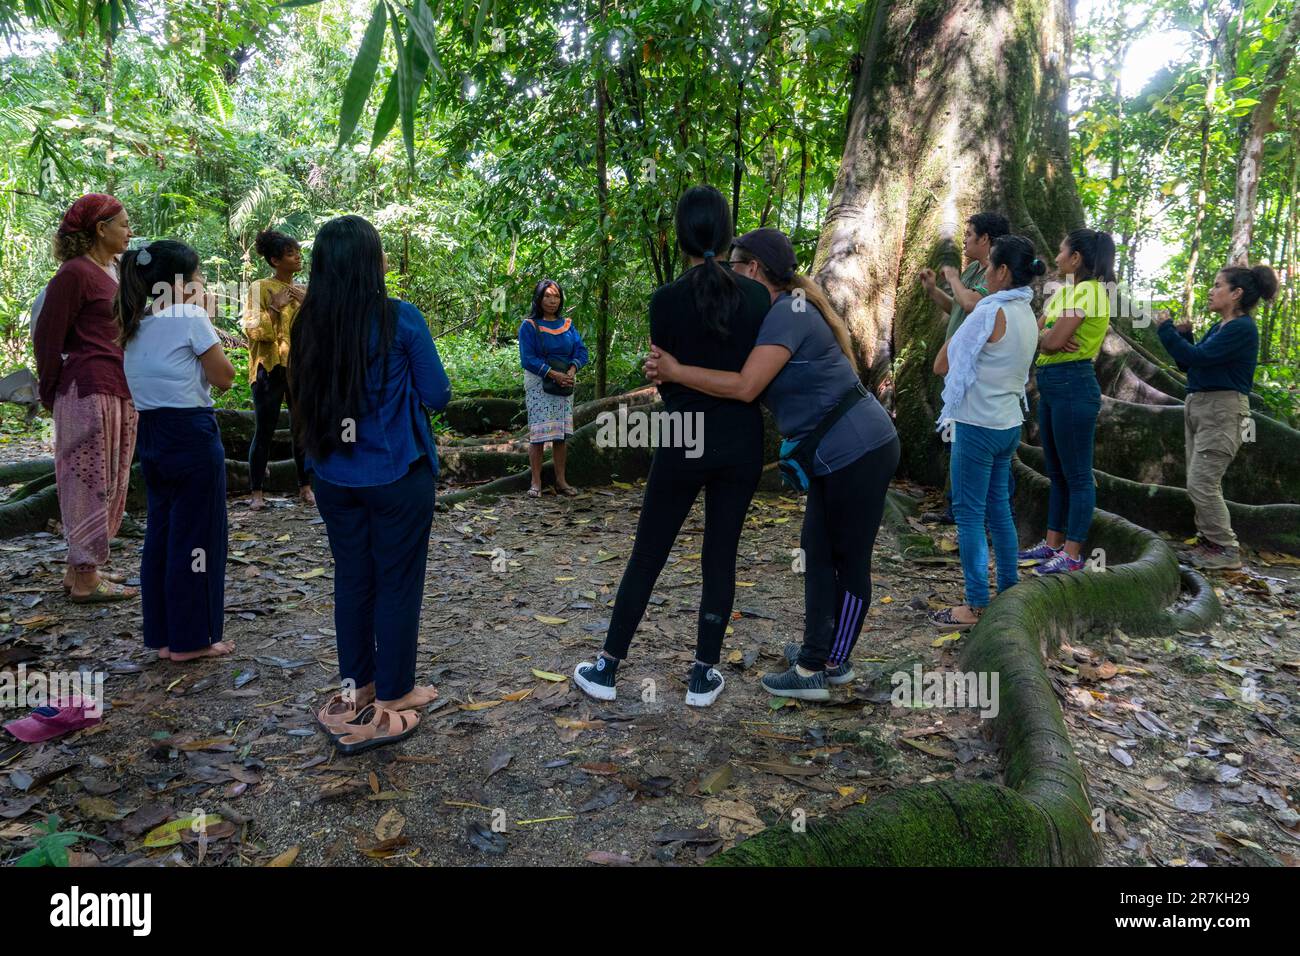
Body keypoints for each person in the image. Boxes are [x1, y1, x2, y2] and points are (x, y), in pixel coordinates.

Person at [646, 228, 899, 701]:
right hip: (840, 452)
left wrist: (677, 372)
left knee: (847, 559)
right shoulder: (787, 310)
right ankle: (817, 656)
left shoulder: (788, 313)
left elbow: (745, 386)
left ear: (754, 269)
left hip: (859, 450)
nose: (730, 278)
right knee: (818, 552)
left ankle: (825, 667)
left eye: (735, 267)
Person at [572, 186, 772, 708]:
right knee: (720, 555)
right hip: (741, 440)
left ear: (680, 235)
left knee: (649, 552)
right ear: (729, 234)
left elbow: (668, 384)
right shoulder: (756, 298)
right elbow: (754, 376)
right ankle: (703, 675)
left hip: (683, 435)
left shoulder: (664, 300)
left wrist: (684, 378)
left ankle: (608, 667)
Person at [289, 215, 450, 755]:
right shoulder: (400, 319)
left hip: (333, 475)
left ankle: (355, 686)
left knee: (354, 578)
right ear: (369, 264)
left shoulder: (307, 322)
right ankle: (396, 694)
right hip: (397, 472)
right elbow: (439, 393)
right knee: (398, 581)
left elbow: (302, 399)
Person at [118, 240, 237, 661]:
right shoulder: (190, 315)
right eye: (200, 276)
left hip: (151, 434)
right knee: (198, 536)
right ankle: (193, 639)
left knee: (163, 532)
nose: (204, 284)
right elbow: (224, 378)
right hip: (191, 434)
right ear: (181, 285)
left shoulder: (136, 321)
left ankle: (165, 635)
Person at [928, 237, 1045, 630]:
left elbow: (942, 365)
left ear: (1003, 272)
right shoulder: (1026, 312)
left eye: (990, 268)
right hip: (1008, 424)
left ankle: (976, 604)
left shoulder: (988, 311)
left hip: (977, 425)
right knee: (998, 509)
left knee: (968, 513)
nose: (986, 275)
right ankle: (1009, 591)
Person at [33, 194, 138, 603]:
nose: (130, 231)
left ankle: (84, 566)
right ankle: (84, 578)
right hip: (86, 388)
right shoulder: (74, 274)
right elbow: (48, 337)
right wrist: (50, 391)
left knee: (111, 480)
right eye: (124, 224)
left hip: (120, 386)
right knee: (86, 481)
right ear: (100, 228)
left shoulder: (113, 270)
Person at [1155, 264, 1277, 570]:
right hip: (1200, 405)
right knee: (1199, 481)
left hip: (1223, 410)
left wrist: (1166, 330)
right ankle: (1209, 544)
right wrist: (1188, 336)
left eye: (1218, 285)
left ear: (1236, 294)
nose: (1211, 291)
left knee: (1202, 482)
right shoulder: (1220, 327)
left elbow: (1197, 357)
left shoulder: (1241, 328)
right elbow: (1192, 365)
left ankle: (1225, 548)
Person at [1018, 228, 1115, 575]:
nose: (1056, 257)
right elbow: (1037, 332)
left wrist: (1046, 337)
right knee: (1056, 471)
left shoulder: (1090, 292)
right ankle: (1052, 544)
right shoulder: (1064, 293)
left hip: (1074, 385)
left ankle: (1073, 554)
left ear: (1076, 258)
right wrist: (1046, 336)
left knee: (1077, 474)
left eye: (1061, 251)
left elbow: (1051, 340)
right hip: (1052, 384)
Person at [919, 212, 1013, 523]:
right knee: (954, 436)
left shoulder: (995, 276)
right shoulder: (973, 269)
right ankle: (956, 504)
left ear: (985, 239)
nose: (965, 239)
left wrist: (953, 278)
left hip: (978, 370)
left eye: (970, 234)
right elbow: (959, 305)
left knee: (978, 442)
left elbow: (973, 303)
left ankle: (984, 512)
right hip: (957, 367)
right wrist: (935, 291)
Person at [242, 229, 311, 510]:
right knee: (265, 430)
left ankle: (306, 488)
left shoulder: (304, 291)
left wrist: (307, 304)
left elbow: (318, 329)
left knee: (302, 429)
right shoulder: (260, 287)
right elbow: (253, 330)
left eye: (297, 252)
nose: (297, 257)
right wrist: (274, 307)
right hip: (267, 368)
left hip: (299, 368)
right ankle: (256, 492)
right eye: (290, 254)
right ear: (275, 260)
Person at [518, 280, 589, 497]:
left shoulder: (568, 325)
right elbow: (527, 358)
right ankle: (536, 482)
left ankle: (561, 481)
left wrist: (571, 372)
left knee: (561, 435)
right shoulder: (529, 326)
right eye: (547, 296)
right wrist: (553, 374)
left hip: (564, 384)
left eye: (556, 296)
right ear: (539, 299)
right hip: (540, 384)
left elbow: (581, 351)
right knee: (538, 434)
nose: (552, 300)